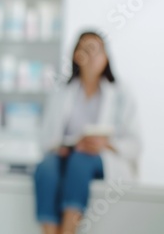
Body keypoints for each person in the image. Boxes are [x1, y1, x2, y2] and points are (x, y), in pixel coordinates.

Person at [33, 31, 141, 234]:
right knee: (45, 167)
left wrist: (105, 144)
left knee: (80, 159)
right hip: (65, 154)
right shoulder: (61, 92)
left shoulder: (121, 93)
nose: (91, 57)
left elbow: (135, 144)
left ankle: (68, 230)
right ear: (76, 56)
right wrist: (61, 146)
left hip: (100, 158)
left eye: (97, 51)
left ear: (106, 57)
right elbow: (45, 137)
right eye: (85, 50)